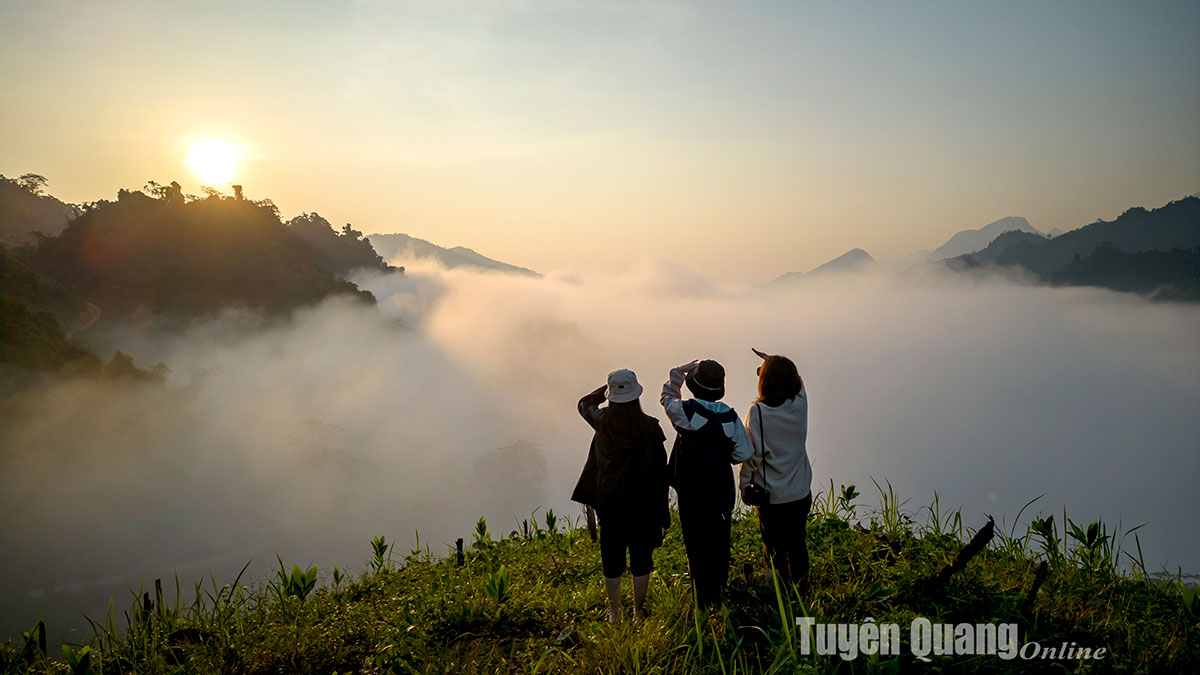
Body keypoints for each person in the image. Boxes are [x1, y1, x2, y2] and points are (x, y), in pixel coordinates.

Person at [572, 369, 669, 623]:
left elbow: (584, 404)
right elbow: (661, 469)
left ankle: (614, 612)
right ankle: (638, 612)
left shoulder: (601, 421)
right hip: (643, 504)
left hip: (610, 502)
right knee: (641, 557)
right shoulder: (651, 428)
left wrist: (603, 391)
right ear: (637, 396)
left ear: (612, 397)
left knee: (611, 556)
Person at [660, 359, 753, 607]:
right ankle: (719, 588)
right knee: (719, 538)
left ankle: (701, 593)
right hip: (720, 487)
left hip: (691, 488)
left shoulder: (685, 412)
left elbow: (667, 398)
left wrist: (677, 374)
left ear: (693, 386)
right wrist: (723, 456)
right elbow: (744, 452)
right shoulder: (730, 417)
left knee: (695, 537)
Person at [740, 349, 813, 592]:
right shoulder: (799, 405)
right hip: (800, 492)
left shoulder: (758, 413)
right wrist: (772, 363)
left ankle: (776, 592)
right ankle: (802, 590)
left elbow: (751, 455)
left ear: (764, 381)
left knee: (773, 547)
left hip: (772, 496)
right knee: (797, 544)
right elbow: (799, 384)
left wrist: (743, 485)